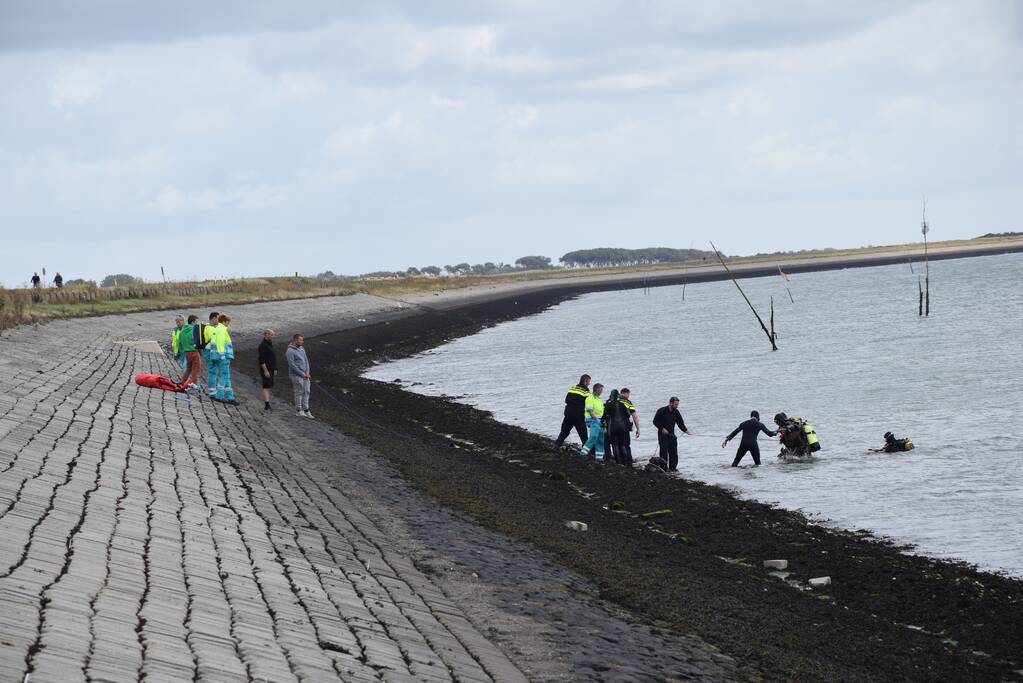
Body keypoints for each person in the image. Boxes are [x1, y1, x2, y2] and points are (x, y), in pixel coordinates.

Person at [652, 397, 690, 471]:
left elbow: (680, 423)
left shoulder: (676, 412)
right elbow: (655, 421)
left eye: (677, 404)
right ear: (670, 403)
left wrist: (686, 431)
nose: (677, 406)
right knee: (664, 453)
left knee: (674, 453)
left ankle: (673, 468)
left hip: (672, 435)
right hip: (662, 435)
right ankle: (664, 468)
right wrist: (662, 428)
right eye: (675, 404)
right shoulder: (661, 410)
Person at [554, 375, 591, 450]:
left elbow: (566, 400)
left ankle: (557, 445)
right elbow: (588, 404)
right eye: (589, 382)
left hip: (568, 413)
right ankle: (586, 451)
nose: (589, 383)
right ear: (585, 381)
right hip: (578, 416)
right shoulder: (586, 391)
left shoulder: (572, 389)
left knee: (564, 431)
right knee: (583, 435)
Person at [208, 314, 238, 405]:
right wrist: (222, 355)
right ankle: (219, 396)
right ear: (224, 321)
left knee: (226, 376)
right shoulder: (222, 329)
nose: (228, 324)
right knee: (224, 376)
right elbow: (220, 343)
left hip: (216, 356)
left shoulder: (216, 329)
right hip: (223, 357)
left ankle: (230, 397)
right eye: (228, 322)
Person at [286, 334, 313, 418]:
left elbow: (306, 361)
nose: (302, 342)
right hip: (296, 375)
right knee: (299, 391)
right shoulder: (289, 351)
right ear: (295, 340)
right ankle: (298, 410)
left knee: (307, 391)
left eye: (302, 340)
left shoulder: (302, 348)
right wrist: (302, 374)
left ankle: (306, 410)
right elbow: (292, 365)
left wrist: (307, 373)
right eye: (301, 340)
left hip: (305, 375)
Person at [602, 389, 632, 465]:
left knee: (615, 445)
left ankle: (618, 462)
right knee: (622, 445)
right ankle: (625, 462)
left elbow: (604, 416)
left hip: (613, 427)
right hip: (622, 427)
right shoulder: (622, 404)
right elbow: (628, 415)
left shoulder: (608, 404)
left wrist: (601, 423)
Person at [579, 383, 605, 460]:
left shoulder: (599, 399)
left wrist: (603, 422)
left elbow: (602, 412)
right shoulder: (590, 398)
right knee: (593, 436)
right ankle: (583, 453)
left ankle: (599, 458)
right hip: (593, 420)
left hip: (600, 420)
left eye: (602, 390)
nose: (601, 392)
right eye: (600, 390)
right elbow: (590, 410)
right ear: (596, 389)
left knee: (600, 439)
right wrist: (596, 420)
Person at [178, 315, 202, 390]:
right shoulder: (193, 329)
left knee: (189, 368)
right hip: (194, 351)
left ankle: (182, 382)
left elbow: (180, 340)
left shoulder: (183, 329)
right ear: (192, 322)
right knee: (196, 369)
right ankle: (194, 385)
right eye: (196, 322)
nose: (197, 324)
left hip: (186, 352)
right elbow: (196, 341)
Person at [619, 388, 640, 465]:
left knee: (618, 444)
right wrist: (638, 429)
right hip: (624, 426)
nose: (628, 396)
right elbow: (634, 416)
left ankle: (620, 461)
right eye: (628, 394)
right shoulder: (628, 402)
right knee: (626, 445)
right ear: (624, 393)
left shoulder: (613, 401)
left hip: (614, 426)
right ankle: (629, 461)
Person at [258, 329, 278, 411]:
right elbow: (261, 360)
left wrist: (275, 368)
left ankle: (267, 403)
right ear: (266, 335)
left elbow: (272, 357)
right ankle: (267, 404)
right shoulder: (263, 345)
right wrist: (265, 371)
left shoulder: (269, 344)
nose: (273, 336)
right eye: (271, 335)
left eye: (273, 335)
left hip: (271, 369)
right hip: (267, 369)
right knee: (266, 386)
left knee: (269, 386)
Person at [201, 311, 220, 394]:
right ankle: (212, 391)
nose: (219, 320)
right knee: (212, 371)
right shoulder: (210, 328)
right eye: (218, 318)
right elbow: (214, 339)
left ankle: (213, 389)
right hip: (209, 352)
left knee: (213, 371)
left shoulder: (210, 327)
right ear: (214, 318)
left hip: (210, 351)